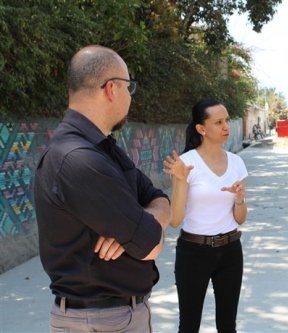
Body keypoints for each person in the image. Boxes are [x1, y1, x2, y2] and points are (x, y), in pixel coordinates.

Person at [34, 45, 171, 333]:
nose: (130, 97)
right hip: (101, 322)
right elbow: (151, 244)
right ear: (111, 88)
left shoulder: (103, 148)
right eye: (129, 87)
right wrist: (142, 228)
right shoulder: (80, 159)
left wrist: (141, 221)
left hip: (115, 317)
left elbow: (159, 198)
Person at [163, 98, 248, 333]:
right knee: (189, 326)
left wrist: (240, 198)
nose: (226, 127)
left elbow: (240, 218)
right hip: (194, 253)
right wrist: (180, 180)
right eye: (218, 122)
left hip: (231, 250)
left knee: (227, 326)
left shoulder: (237, 163)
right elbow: (175, 220)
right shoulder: (186, 163)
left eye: (227, 120)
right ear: (201, 128)